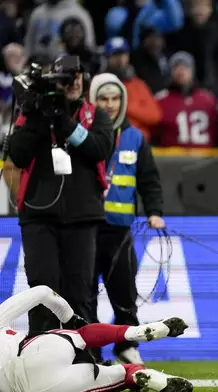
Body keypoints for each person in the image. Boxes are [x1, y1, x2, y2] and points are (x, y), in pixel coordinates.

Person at [8, 55, 113, 334]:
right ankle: (40, 358)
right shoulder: (33, 115)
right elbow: (17, 155)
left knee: (79, 292)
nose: (73, 83)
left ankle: (82, 362)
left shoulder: (95, 115)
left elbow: (100, 149)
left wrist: (64, 122)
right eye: (67, 78)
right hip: (39, 216)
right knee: (42, 293)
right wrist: (39, 117)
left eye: (78, 77)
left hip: (82, 216)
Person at [87, 73, 165, 365]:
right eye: (103, 98)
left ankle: (125, 346)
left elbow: (149, 180)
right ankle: (89, 351)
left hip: (120, 230)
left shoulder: (135, 137)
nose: (109, 104)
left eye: (115, 98)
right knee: (85, 295)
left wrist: (155, 211)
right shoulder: (83, 134)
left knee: (125, 292)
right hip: (85, 228)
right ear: (92, 101)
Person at [0, 285, 192, 392]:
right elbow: (42, 292)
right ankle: (136, 332)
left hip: (43, 387)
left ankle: (148, 378)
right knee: (81, 335)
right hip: (41, 350)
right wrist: (69, 317)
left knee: (121, 375)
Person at [153, 51, 218, 148]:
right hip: (170, 159)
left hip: (205, 158)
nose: (181, 71)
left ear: (192, 71)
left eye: (185, 67)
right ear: (171, 72)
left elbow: (217, 131)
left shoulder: (208, 100)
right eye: (176, 67)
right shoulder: (160, 100)